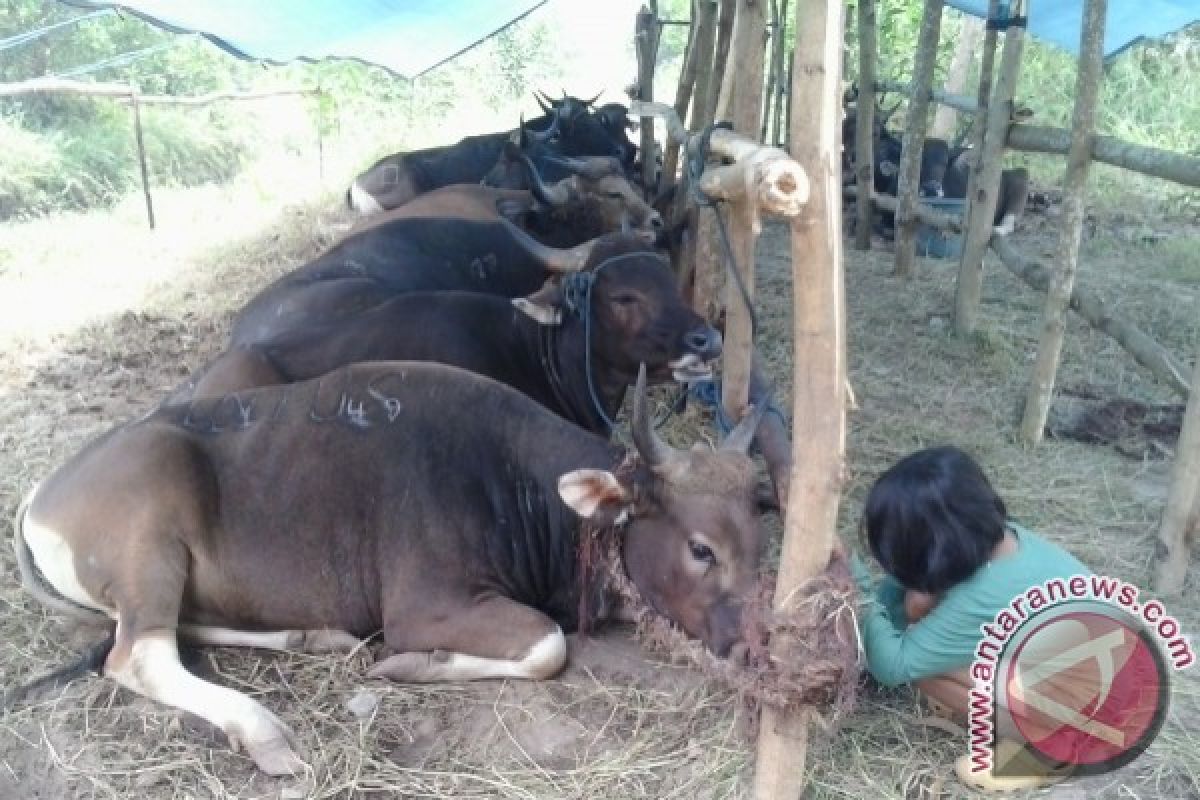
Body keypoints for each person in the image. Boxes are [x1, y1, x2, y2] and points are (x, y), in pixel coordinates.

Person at [851, 446, 1094, 792]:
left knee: (923, 665)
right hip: (1095, 676)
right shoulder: (997, 540)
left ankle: (1050, 752)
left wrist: (854, 584)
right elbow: (910, 590)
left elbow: (892, 666)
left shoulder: (983, 594)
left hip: (1092, 717)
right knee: (920, 611)